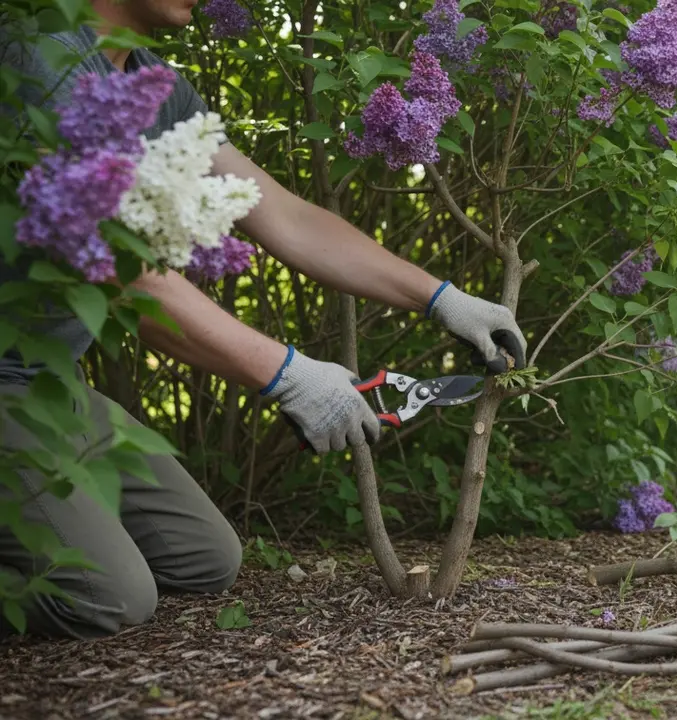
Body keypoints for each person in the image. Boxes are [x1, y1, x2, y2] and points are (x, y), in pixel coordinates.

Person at [0, 0, 527, 640]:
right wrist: (287, 374)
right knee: (109, 597)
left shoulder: (151, 89)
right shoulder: (35, 60)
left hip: (50, 382)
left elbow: (285, 216)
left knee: (203, 558)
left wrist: (441, 297)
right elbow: (119, 279)